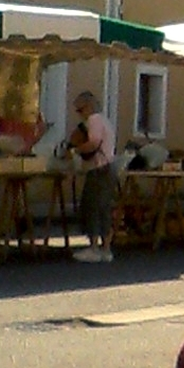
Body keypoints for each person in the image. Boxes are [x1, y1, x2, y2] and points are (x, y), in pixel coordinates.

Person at [68, 91, 117, 263]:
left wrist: (75, 150)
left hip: (98, 169)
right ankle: (106, 249)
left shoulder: (94, 120)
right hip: (108, 168)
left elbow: (94, 142)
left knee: (92, 208)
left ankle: (94, 248)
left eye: (80, 110)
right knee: (104, 209)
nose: (79, 114)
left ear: (88, 107)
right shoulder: (105, 121)